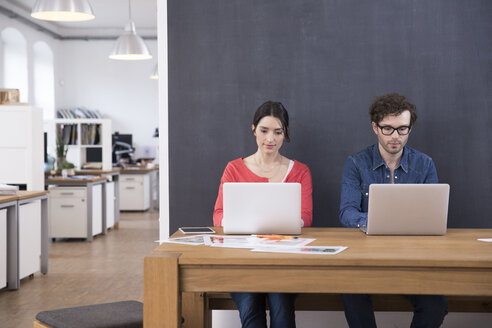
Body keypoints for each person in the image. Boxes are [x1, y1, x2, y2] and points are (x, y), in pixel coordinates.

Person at [339, 93, 448, 328]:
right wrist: (375, 222)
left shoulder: (425, 164)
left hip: (414, 260)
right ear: (374, 127)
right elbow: (347, 212)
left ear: (410, 128)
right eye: (387, 128)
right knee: (351, 294)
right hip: (367, 260)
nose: (395, 136)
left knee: (437, 304)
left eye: (402, 129)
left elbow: (434, 215)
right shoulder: (356, 163)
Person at [213, 100, 313, 328]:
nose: (270, 139)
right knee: (250, 310)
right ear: (253, 130)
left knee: (282, 311)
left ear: (285, 133)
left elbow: (306, 217)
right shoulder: (234, 169)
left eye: (278, 132)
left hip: (284, 260)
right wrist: (245, 224)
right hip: (242, 260)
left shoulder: (299, 171)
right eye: (264, 131)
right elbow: (218, 214)